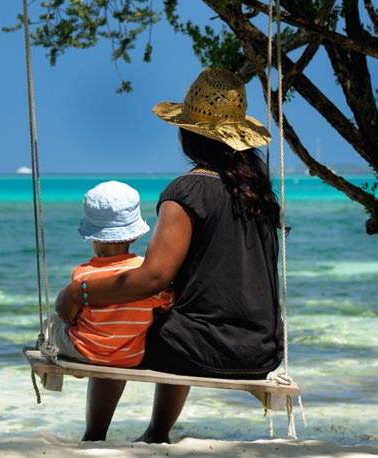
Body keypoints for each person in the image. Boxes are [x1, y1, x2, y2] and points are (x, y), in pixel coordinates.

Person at [54, 68, 284, 443]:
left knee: (119, 328)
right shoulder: (257, 195)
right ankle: (156, 433)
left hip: (204, 350)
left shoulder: (187, 190)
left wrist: (78, 295)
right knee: (171, 317)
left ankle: (95, 436)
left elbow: (154, 276)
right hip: (260, 352)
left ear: (188, 133)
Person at [43, 181, 174, 368]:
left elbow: (70, 316)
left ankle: (57, 378)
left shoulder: (82, 275)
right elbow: (167, 303)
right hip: (130, 357)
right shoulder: (146, 273)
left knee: (49, 326)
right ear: (135, 236)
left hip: (85, 352)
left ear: (93, 238)